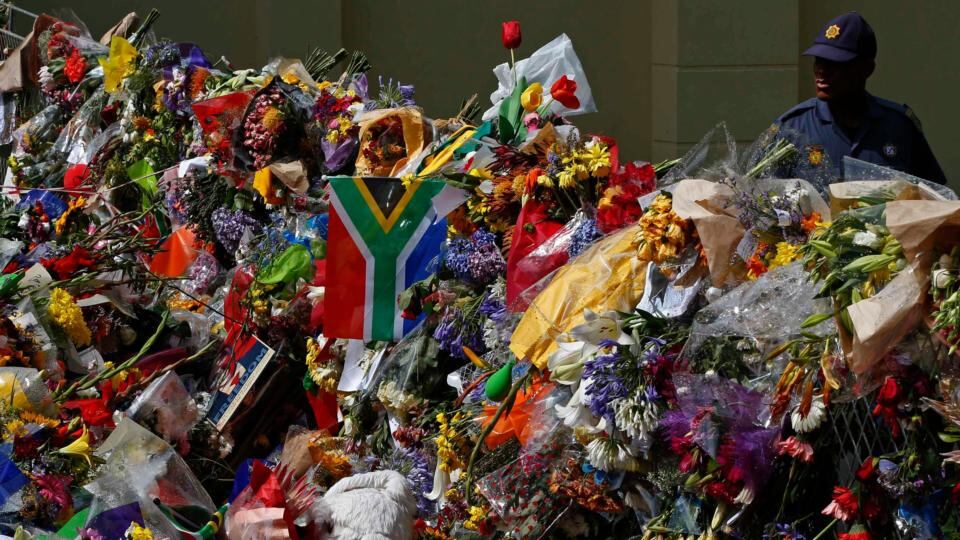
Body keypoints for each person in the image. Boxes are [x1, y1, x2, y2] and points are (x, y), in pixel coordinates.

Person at [775, 12, 946, 184]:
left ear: (867, 69)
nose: (822, 71)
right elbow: (760, 198)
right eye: (819, 61)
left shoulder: (900, 127)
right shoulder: (793, 128)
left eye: (834, 63)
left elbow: (934, 198)